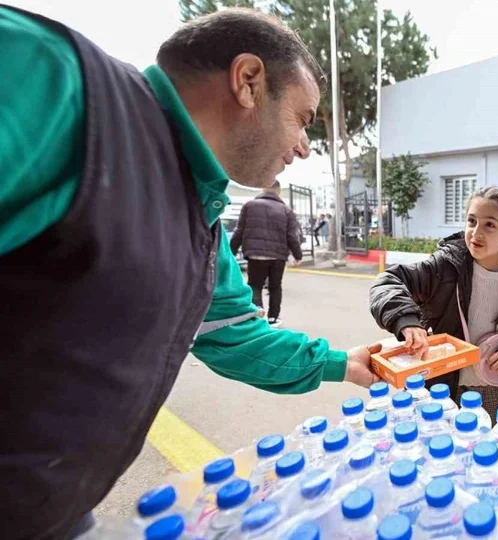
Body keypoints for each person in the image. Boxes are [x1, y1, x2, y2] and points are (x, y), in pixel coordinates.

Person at [0, 7, 378, 538]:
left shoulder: (200, 218)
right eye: (303, 118)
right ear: (248, 81)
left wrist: (344, 363)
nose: (303, 146)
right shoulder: (52, 78)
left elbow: (233, 335)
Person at [369, 187, 498, 421]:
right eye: (471, 221)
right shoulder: (444, 267)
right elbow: (388, 281)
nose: (476, 232)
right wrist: (406, 320)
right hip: (444, 391)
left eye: (489, 225)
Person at [231, 180, 303, 328]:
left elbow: (239, 231)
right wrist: (298, 255)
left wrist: (231, 252)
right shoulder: (286, 210)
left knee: (255, 285)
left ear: (263, 188)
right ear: (278, 191)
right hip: (278, 256)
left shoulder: (249, 206)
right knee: (275, 287)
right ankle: (273, 318)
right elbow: (292, 236)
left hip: (254, 254)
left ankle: (257, 314)